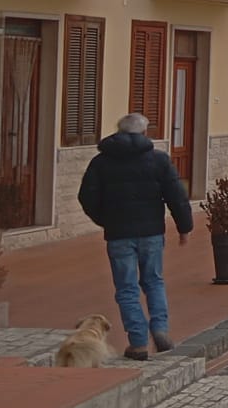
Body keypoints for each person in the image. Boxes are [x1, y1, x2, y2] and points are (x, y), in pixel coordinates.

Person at [77, 113, 193, 360]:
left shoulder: (101, 162)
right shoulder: (159, 160)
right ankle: (160, 329)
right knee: (154, 281)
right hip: (151, 233)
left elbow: (86, 197)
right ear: (144, 133)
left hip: (119, 234)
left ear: (118, 132)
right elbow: (177, 196)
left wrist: (105, 220)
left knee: (126, 289)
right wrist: (185, 227)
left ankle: (138, 343)